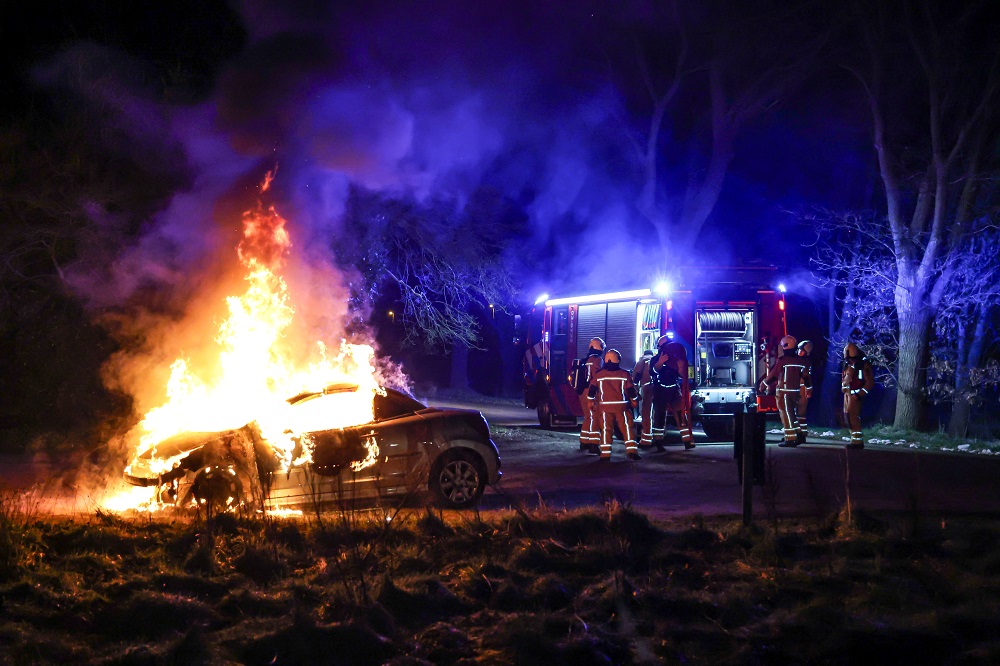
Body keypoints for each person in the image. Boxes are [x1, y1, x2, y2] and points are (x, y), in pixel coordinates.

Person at [588, 348, 639, 461]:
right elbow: (631, 390)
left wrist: (590, 401)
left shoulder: (599, 375)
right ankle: (632, 452)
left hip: (605, 408)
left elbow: (592, 390)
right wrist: (635, 400)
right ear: (618, 360)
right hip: (622, 407)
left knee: (606, 430)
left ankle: (605, 454)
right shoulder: (624, 374)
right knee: (627, 428)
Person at [759, 335, 809, 447]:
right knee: (792, 414)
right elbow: (806, 377)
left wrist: (764, 384)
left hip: (784, 392)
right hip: (795, 392)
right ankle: (798, 433)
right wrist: (809, 389)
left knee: (786, 414)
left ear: (785, 346)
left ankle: (790, 438)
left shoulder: (783, 361)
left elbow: (773, 375)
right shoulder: (800, 361)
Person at [662, 341, 695, 450]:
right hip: (663, 390)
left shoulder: (674, 361)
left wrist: (680, 368)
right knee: (660, 416)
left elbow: (683, 375)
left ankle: (687, 440)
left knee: (681, 415)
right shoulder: (658, 360)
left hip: (670, 389)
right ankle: (658, 441)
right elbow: (654, 371)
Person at [842, 342, 874, 449]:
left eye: (850, 358)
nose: (849, 360)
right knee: (848, 417)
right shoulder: (848, 365)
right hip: (847, 395)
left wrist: (860, 394)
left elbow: (869, 382)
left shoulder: (863, 365)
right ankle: (854, 439)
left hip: (855, 396)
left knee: (853, 417)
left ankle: (857, 442)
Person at [577, 337, 605, 453]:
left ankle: (584, 442)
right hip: (592, 391)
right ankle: (594, 444)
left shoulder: (585, 360)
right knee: (595, 417)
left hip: (583, 391)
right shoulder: (598, 360)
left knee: (588, 417)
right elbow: (597, 377)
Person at [631, 348, 656, 448]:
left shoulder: (642, 360)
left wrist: (636, 392)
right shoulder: (656, 359)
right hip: (659, 388)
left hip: (647, 388)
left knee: (646, 413)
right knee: (657, 413)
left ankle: (646, 440)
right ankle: (658, 438)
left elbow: (636, 377)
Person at [796, 340, 814, 445]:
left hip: (802, 388)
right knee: (799, 413)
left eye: (801, 349)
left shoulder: (804, 362)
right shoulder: (805, 361)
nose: (798, 351)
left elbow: (806, 376)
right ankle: (801, 433)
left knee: (800, 412)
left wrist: (809, 388)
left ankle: (800, 434)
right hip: (802, 387)